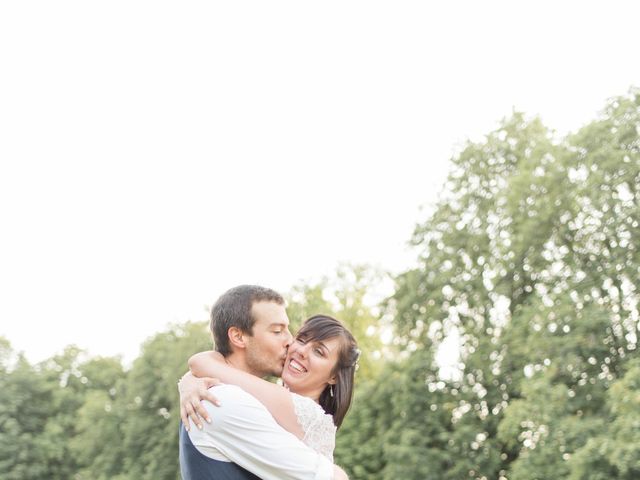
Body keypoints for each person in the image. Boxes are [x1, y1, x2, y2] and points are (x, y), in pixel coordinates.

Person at [178, 285, 351, 480]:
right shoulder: (224, 401)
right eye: (277, 331)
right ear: (238, 336)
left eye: (288, 330)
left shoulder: (227, 395)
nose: (290, 341)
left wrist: (191, 376)